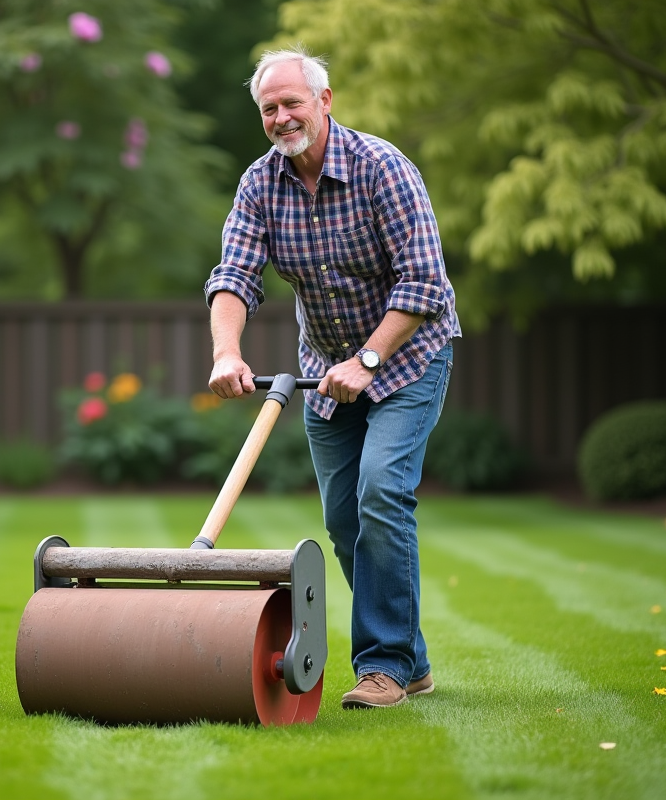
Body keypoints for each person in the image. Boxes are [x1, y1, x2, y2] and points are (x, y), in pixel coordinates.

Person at [204, 47, 461, 709]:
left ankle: (384, 667)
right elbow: (234, 275)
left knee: (380, 492)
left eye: (293, 102)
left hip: (406, 359)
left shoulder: (382, 167)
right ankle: (413, 656)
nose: (282, 117)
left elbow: (426, 282)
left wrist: (369, 360)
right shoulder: (260, 184)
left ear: (325, 101)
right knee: (344, 520)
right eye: (269, 108)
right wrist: (226, 352)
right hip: (324, 371)